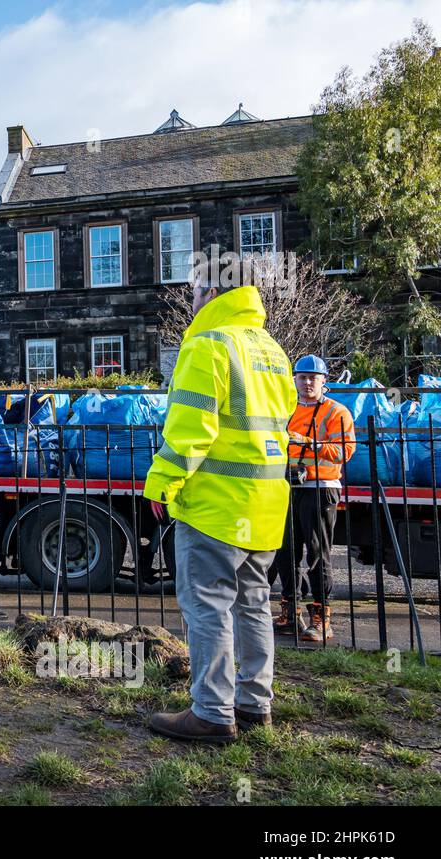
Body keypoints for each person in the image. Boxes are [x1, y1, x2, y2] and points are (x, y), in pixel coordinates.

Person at [144, 283, 296, 743]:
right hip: (265, 504)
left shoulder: (208, 345)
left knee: (207, 607)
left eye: (192, 296)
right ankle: (254, 704)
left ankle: (212, 712)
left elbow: (193, 428)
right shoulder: (271, 349)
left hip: (216, 505)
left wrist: (161, 482)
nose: (188, 305)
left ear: (210, 294)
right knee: (253, 605)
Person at [271, 355, 356, 642]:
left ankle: (321, 619)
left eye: (313, 378)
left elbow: (345, 451)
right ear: (294, 379)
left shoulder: (336, 412)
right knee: (285, 552)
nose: (307, 383)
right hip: (288, 485)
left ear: (324, 381)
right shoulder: (286, 410)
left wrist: (310, 444)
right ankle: (290, 612)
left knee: (318, 553)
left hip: (321, 487)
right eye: (302, 377)